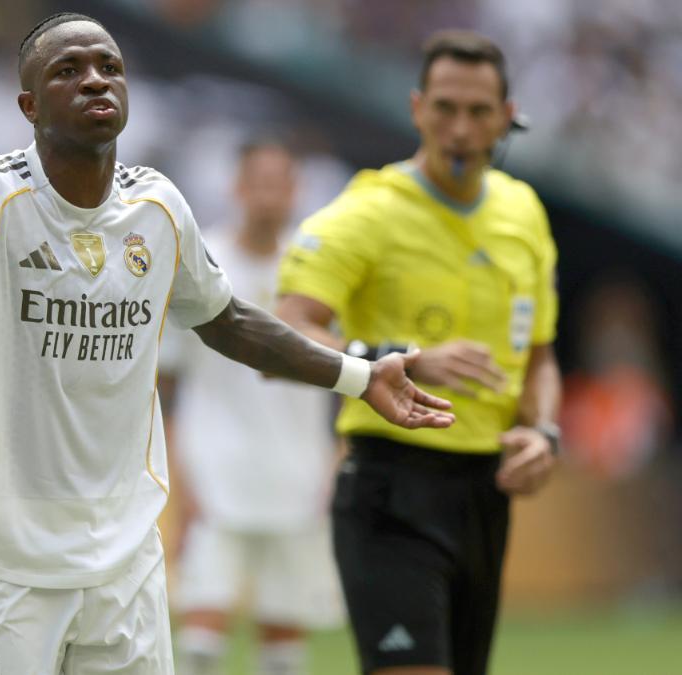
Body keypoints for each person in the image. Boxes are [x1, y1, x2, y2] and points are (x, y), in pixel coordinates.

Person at [0, 13, 453, 674]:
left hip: (125, 562)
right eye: (68, 70)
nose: (95, 79)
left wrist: (359, 376)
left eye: (109, 67)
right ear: (29, 106)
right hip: (5, 560)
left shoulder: (159, 205)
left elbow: (230, 321)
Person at [276, 30, 561, 675]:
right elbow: (285, 331)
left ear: (507, 117)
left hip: (486, 491)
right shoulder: (366, 213)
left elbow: (541, 355)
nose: (460, 129)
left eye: (478, 112)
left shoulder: (523, 213)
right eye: (445, 108)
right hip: (390, 486)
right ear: (416, 109)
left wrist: (544, 432)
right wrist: (393, 357)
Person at [165, 139, 342, 675]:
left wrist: (334, 463)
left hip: (298, 473)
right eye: (258, 182)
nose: (268, 196)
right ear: (237, 188)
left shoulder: (316, 271)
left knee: (284, 640)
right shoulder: (201, 263)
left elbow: (345, 374)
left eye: (279, 183)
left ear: (296, 190)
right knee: (202, 636)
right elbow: (165, 384)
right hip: (215, 471)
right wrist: (179, 479)